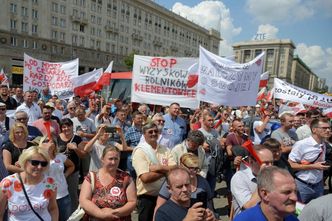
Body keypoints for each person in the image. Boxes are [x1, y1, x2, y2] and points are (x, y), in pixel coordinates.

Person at [0, 146, 58, 220]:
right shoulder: (7, 183)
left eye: (43, 164)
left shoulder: (50, 183)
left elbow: (53, 208)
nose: (39, 167)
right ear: (24, 161)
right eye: (35, 163)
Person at [132, 122, 176, 221]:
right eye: (150, 132)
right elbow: (145, 178)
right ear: (144, 134)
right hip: (148, 198)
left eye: (156, 131)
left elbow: (174, 168)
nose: (153, 133)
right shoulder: (140, 151)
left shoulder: (165, 149)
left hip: (166, 196)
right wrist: (165, 171)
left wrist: (159, 167)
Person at [79, 145, 137, 221]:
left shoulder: (126, 178)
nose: (113, 162)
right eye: (110, 159)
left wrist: (114, 213)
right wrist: (101, 214)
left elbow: (132, 202)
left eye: (116, 159)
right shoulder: (92, 177)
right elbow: (84, 200)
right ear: (102, 159)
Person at [288, 118, 331, 203]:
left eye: (329, 128)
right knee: (300, 212)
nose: (328, 130)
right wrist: (313, 166)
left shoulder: (324, 144)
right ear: (314, 130)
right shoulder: (301, 144)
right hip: (303, 185)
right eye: (324, 128)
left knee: (317, 211)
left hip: (318, 185)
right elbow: (291, 165)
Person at [234, 166, 298, 221]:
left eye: (295, 191)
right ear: (265, 194)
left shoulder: (292, 219)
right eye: (287, 192)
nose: (295, 198)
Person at [231, 145, 274, 216]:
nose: (270, 166)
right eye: (265, 163)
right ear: (251, 161)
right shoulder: (239, 178)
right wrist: (263, 180)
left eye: (272, 162)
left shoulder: (274, 175)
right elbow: (249, 206)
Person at [40, 137, 75, 221]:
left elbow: (71, 166)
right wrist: (46, 152)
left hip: (63, 195)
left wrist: (65, 175)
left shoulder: (60, 156)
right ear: (41, 145)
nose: (50, 142)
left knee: (67, 219)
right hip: (46, 197)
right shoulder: (38, 159)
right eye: (46, 141)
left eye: (52, 140)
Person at [56, 118, 86, 211]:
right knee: (59, 195)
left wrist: (75, 148)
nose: (66, 128)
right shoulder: (57, 138)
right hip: (59, 172)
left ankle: (74, 215)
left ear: (72, 126)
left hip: (73, 171)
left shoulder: (77, 138)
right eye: (63, 127)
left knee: (72, 194)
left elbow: (83, 155)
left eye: (68, 126)